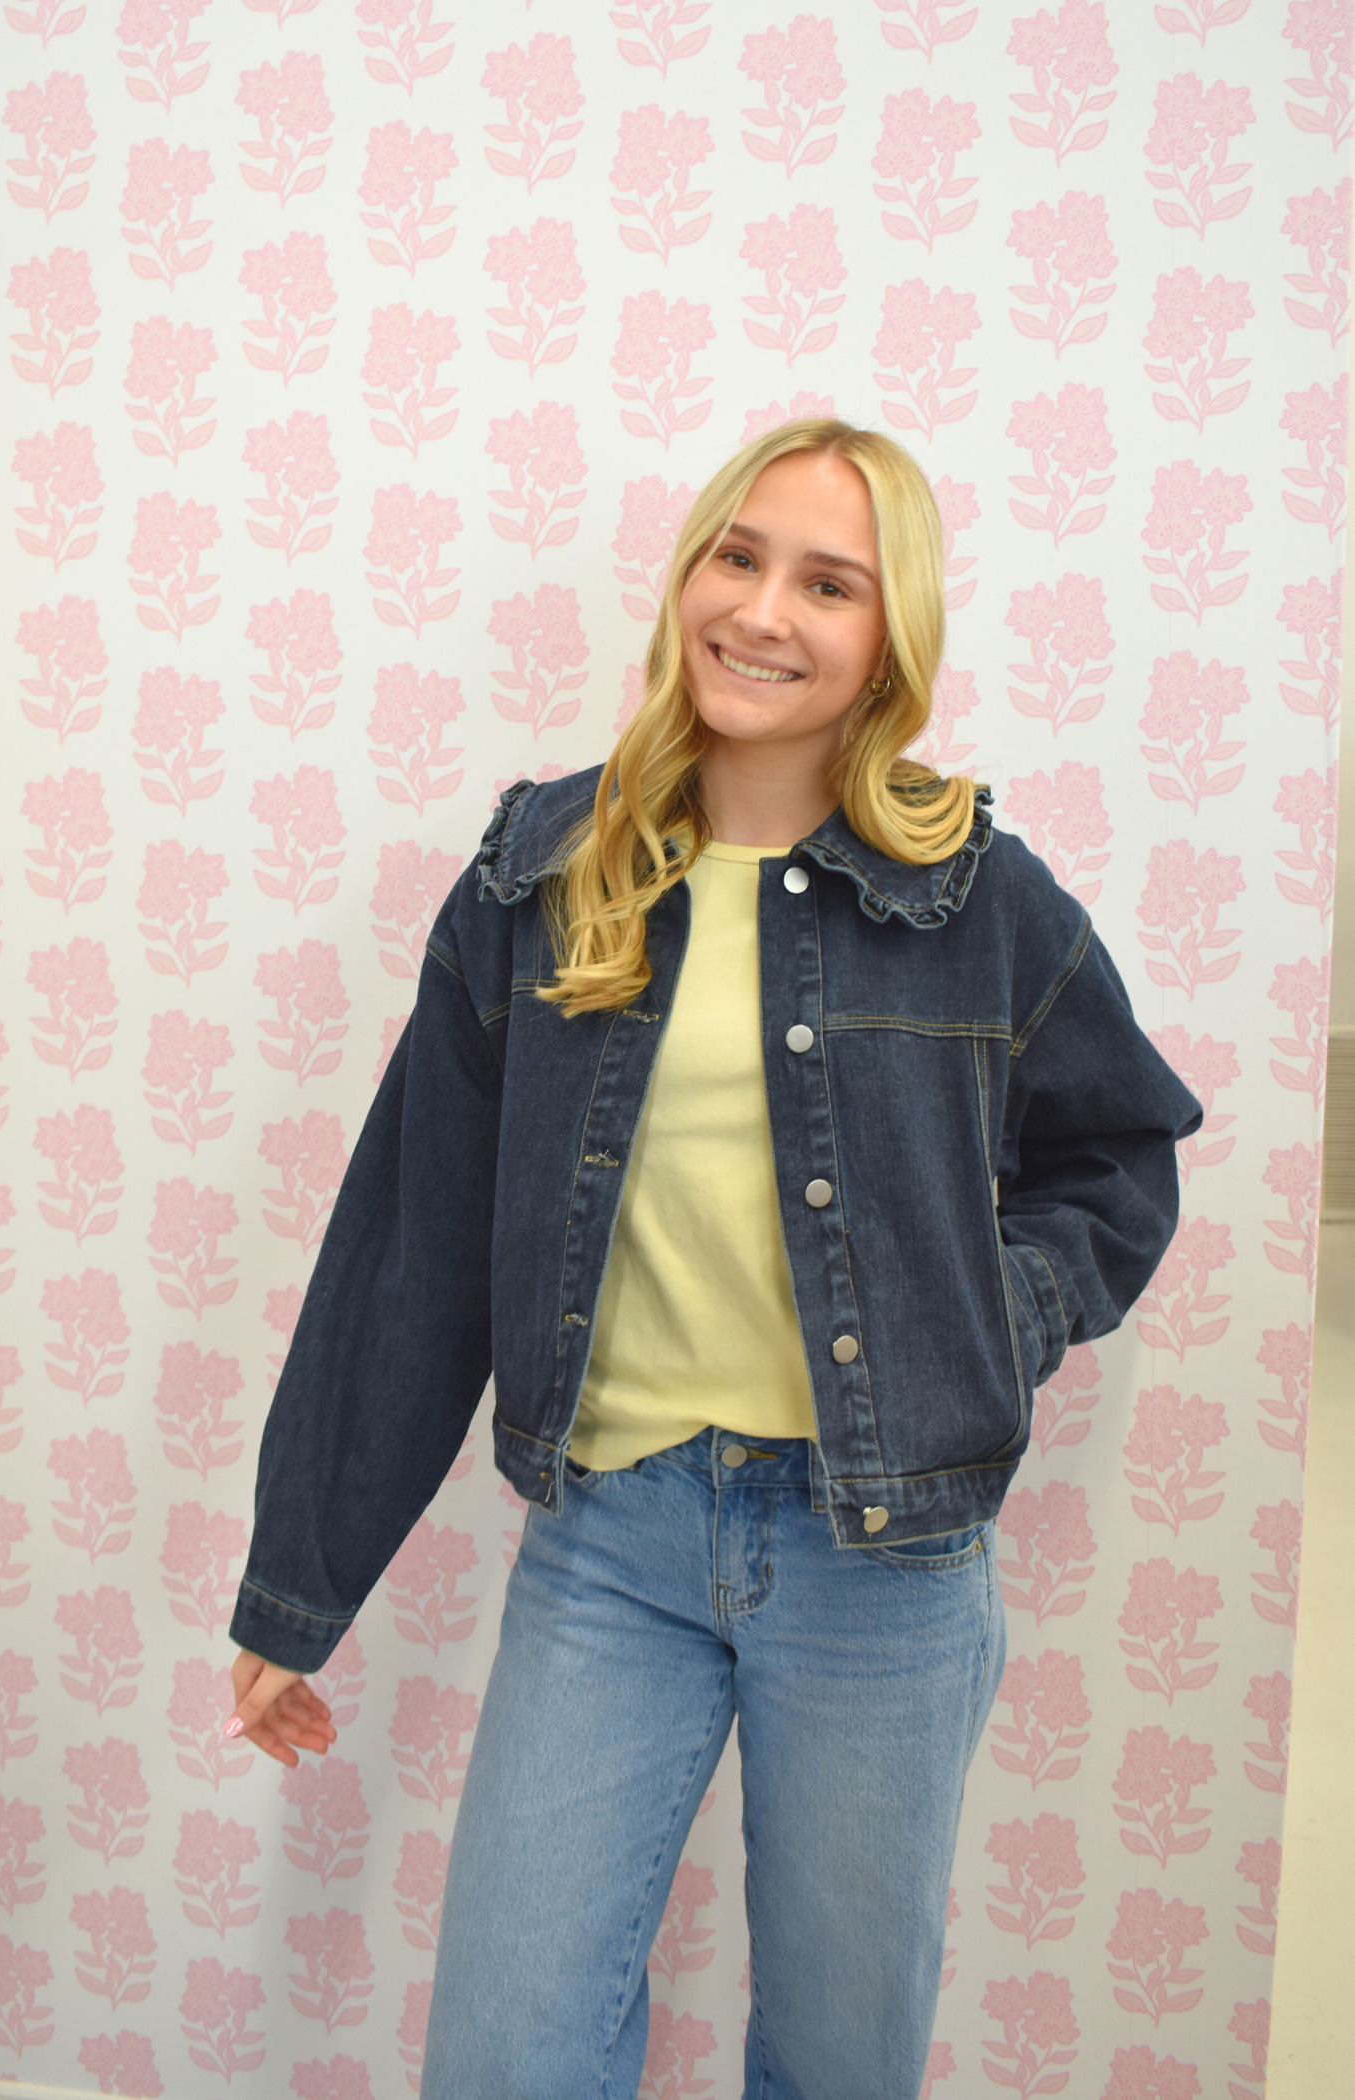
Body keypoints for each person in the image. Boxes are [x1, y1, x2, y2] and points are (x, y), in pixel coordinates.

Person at [223, 420, 1200, 2100]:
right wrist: (298, 1582)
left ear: (891, 639)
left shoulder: (974, 891)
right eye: (736, 557)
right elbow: (414, 1239)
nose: (763, 610)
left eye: (830, 582)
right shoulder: (547, 869)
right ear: (687, 577)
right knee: (507, 2053)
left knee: (835, 2057)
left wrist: (995, 1315)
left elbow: (1117, 1157)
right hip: (614, 1541)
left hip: (884, 1570)